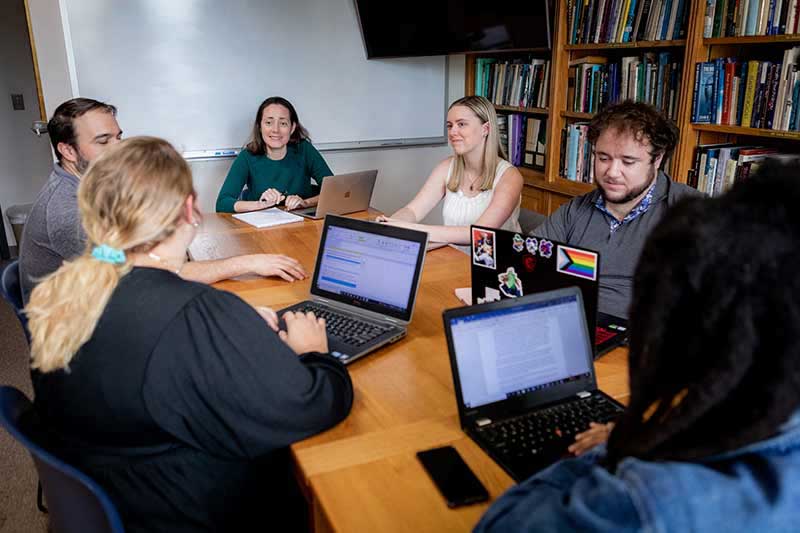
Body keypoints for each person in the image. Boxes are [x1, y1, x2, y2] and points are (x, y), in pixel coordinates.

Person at [26, 136, 353, 533]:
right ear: (188, 209)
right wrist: (313, 352)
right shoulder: (193, 315)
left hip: (116, 491)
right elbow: (312, 404)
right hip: (183, 509)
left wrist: (228, 328)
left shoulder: (64, 291)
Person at [475, 157, 800, 532]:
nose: (612, 170)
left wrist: (618, 444)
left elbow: (500, 525)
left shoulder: (643, 502)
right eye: (603, 156)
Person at [18, 97, 306, 303]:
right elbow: (153, 268)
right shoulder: (68, 214)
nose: (120, 149)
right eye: (104, 141)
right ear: (68, 151)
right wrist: (246, 263)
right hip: (78, 332)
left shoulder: (92, 184)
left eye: (119, 137)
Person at [533, 101, 702, 319]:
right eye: (603, 158)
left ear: (657, 159)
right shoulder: (575, 210)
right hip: (572, 320)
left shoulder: (691, 214)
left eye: (628, 162)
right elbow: (529, 259)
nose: (612, 172)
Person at [376, 96, 523, 244]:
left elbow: (479, 234)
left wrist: (410, 229)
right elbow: (412, 211)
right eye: (449, 125)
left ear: (485, 129)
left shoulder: (510, 176)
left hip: (496, 258)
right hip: (453, 255)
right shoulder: (446, 167)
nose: (452, 132)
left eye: (461, 124)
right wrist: (389, 224)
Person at [216, 96, 334, 213]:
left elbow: (333, 190)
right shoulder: (247, 156)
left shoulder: (304, 149)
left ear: (292, 128)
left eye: (283, 123)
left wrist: (305, 203)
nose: (276, 130)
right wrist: (260, 204)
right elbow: (222, 203)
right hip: (261, 223)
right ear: (260, 126)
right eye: (269, 123)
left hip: (302, 222)